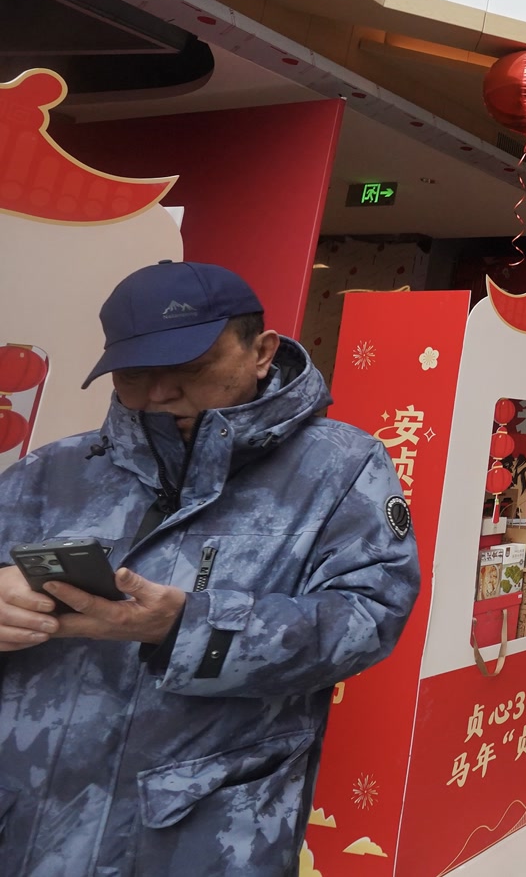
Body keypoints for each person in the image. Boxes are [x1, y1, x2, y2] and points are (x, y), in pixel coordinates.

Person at [0, 261, 420, 874]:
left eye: (191, 367)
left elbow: (369, 616)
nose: (160, 394)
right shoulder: (51, 471)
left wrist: (185, 628)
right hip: (27, 822)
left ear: (261, 352)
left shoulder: (341, 468)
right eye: (135, 374)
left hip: (202, 830)